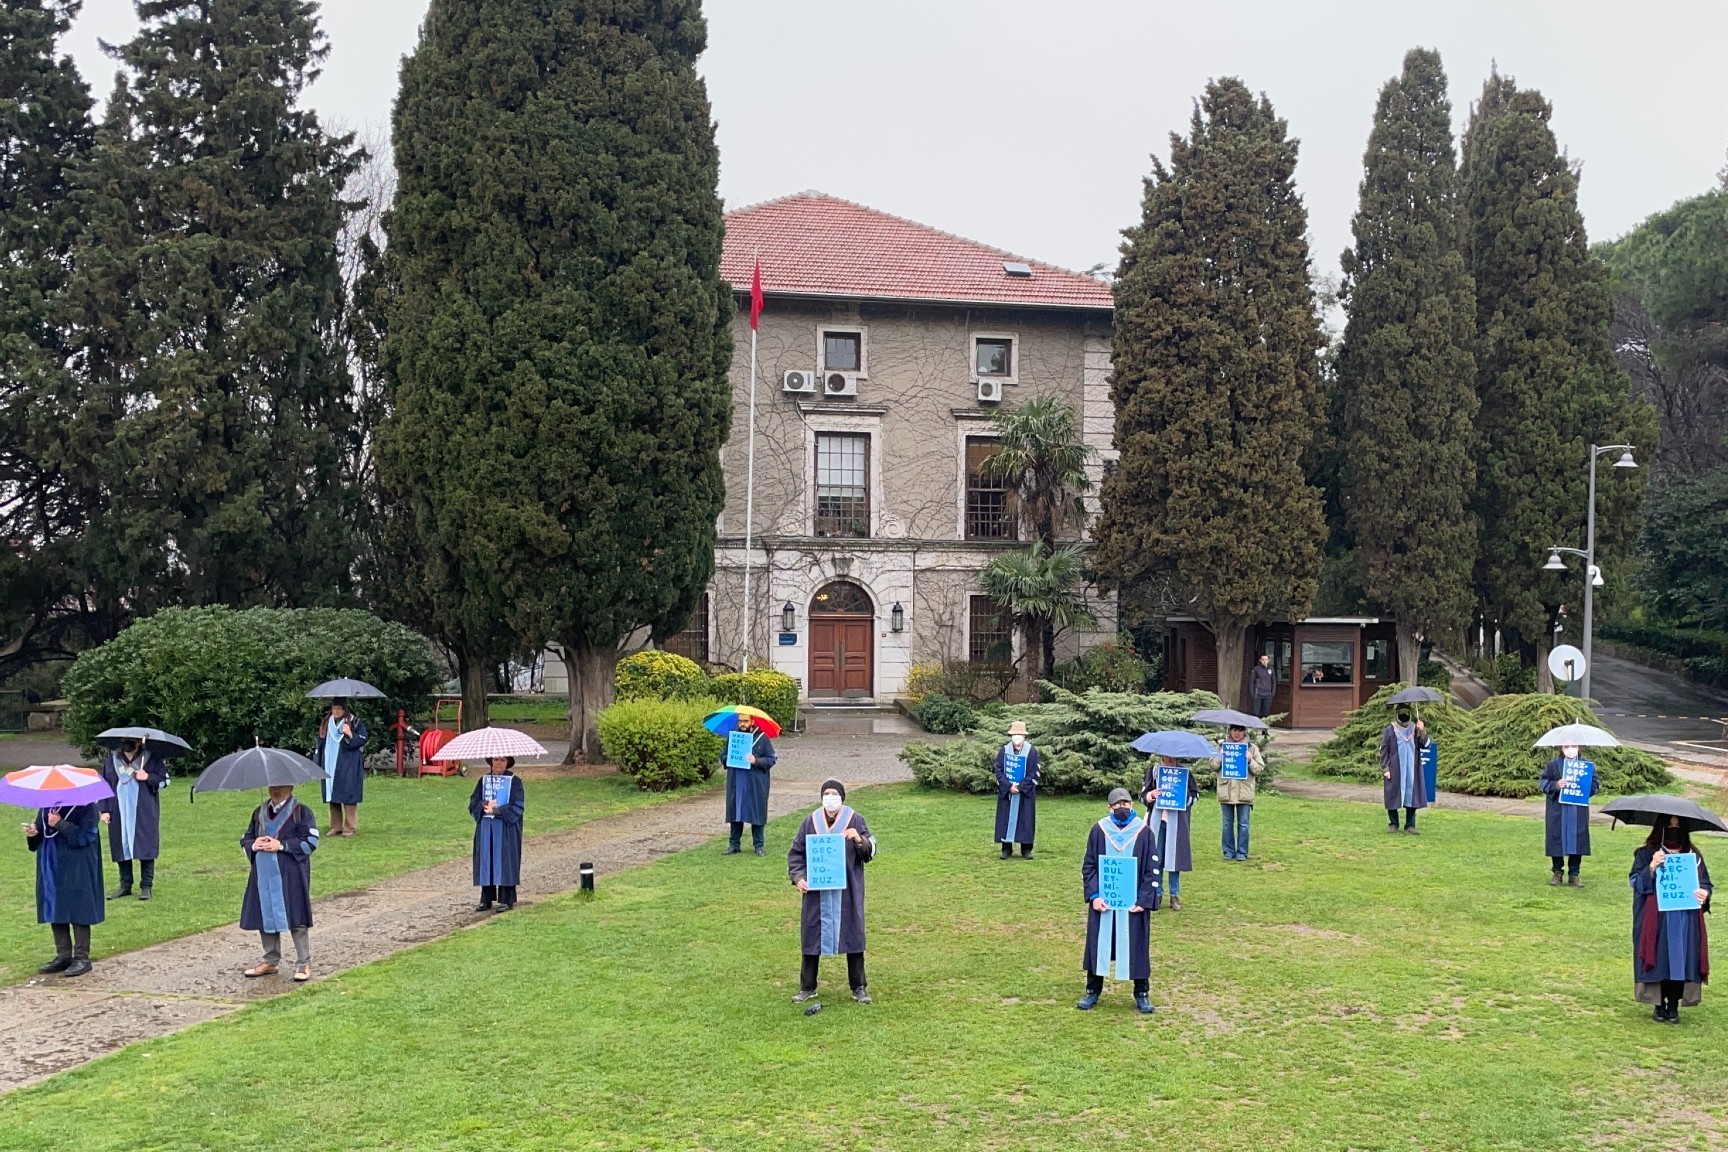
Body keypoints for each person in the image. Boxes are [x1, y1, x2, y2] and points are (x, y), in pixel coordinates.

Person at [788, 779, 876, 1005]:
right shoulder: (810, 821)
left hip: (847, 890)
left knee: (853, 935)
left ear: (842, 797)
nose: (830, 797)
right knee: (811, 935)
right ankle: (808, 987)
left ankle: (859, 987)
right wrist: (799, 878)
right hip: (817, 891)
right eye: (826, 793)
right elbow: (796, 854)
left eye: (834, 793)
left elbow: (870, 851)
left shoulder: (855, 819)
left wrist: (858, 839)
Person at [1077, 788, 1159, 1013]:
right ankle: (1092, 990)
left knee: (1137, 945)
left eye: (1126, 804)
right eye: (1117, 805)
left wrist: (1143, 900)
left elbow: (1152, 870)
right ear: (1109, 807)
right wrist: (1094, 896)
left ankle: (1142, 993)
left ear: (1132, 805)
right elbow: (1089, 866)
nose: (1122, 808)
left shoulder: (1143, 832)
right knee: (1098, 944)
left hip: (1133, 904)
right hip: (1104, 902)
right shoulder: (1099, 830)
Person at [1630, 816, 1713, 1023]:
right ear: (1661, 828)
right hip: (1656, 917)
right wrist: (1651, 866)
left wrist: (1704, 893)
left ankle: (1674, 1005)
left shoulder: (1694, 856)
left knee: (1681, 959)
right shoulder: (1646, 853)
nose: (1673, 830)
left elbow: (1705, 883)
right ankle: (1658, 1005)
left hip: (1685, 917)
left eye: (1677, 826)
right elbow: (1636, 882)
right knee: (1659, 957)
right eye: (1669, 826)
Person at [241, 784, 319, 982]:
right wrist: (253, 844)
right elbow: (247, 837)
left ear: (290, 787)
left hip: (291, 873)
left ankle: (304, 962)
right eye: (273, 786)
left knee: (296, 914)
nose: (276, 790)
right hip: (263, 872)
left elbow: (311, 842)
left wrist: (282, 845)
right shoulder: (259, 812)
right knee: (265, 914)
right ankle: (271, 960)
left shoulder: (301, 812)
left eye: (281, 786)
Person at [25, 803, 104, 977]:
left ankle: (82, 957)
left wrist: (60, 824)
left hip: (78, 864)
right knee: (55, 906)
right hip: (51, 862)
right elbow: (38, 837)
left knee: (78, 907)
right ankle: (64, 955)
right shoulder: (47, 806)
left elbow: (85, 837)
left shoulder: (87, 807)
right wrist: (33, 833)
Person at [98, 736, 169, 900]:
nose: (127, 743)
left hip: (143, 809)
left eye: (131, 740)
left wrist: (148, 777)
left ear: (139, 742)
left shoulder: (150, 759)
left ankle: (146, 886)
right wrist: (104, 809)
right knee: (121, 846)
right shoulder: (113, 760)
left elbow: (165, 781)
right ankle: (125, 885)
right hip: (118, 810)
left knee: (145, 845)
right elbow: (104, 785)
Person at [1539, 743, 1601, 886]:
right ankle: (1557, 872)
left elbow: (1595, 784)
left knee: (1577, 840)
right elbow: (1543, 782)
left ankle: (1574, 873)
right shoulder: (1553, 765)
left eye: (1574, 745)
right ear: (1561, 748)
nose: (1571, 749)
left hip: (1577, 808)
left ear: (1579, 748)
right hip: (1558, 809)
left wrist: (1585, 787)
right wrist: (1556, 785)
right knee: (1556, 838)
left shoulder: (1585, 766)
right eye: (1567, 746)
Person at [470, 756, 525, 912]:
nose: (498, 763)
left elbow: (518, 805)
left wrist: (498, 810)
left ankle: (507, 900)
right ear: (491, 762)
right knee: (487, 861)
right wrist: (484, 804)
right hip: (487, 827)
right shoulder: (483, 781)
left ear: (507, 762)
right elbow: (473, 802)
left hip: (505, 828)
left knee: (505, 862)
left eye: (502, 760)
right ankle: (486, 899)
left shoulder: (515, 782)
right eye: (495, 759)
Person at [1141, 755, 1195, 910]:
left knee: (1174, 860)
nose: (1170, 758)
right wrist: (1151, 795)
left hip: (1177, 823)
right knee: (1155, 858)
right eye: (1167, 755)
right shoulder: (1154, 772)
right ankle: (1157, 893)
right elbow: (1143, 795)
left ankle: (1174, 895)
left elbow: (1194, 795)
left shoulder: (1185, 772)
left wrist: (1183, 797)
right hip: (1157, 822)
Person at [723, 714, 776, 857]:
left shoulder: (762, 738)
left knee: (756, 812)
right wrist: (729, 758)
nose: (742, 724)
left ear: (752, 721)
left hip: (755, 783)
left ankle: (759, 845)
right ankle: (734, 844)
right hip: (736, 782)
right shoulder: (733, 737)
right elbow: (723, 756)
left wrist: (756, 760)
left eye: (745, 721)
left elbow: (771, 759)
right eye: (740, 721)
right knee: (736, 812)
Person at [1212, 725, 1265, 861]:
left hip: (1244, 792)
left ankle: (1242, 852)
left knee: (1244, 824)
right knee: (1227, 823)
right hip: (1226, 791)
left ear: (1244, 732)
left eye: (1240, 730)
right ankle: (1228, 852)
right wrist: (1220, 756)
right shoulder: (1221, 746)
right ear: (1230, 731)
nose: (1237, 733)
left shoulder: (1252, 748)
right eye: (1234, 730)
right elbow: (1212, 766)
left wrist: (1250, 760)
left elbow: (1259, 769)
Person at [317, 699, 368, 837]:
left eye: (339, 708)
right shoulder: (327, 722)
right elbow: (321, 741)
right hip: (329, 762)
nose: (336, 711)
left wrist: (351, 734)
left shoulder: (354, 721)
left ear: (344, 709)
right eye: (334, 708)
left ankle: (350, 827)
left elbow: (362, 740)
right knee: (332, 793)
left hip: (348, 763)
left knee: (348, 793)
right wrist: (318, 760)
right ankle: (335, 826)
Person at [994, 721, 1040, 859]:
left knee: (1025, 820)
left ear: (1024, 736)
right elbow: (998, 770)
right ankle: (1006, 849)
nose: (1017, 737)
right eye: (1014, 734)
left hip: (1024, 793)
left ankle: (1026, 850)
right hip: (1007, 792)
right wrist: (1008, 786)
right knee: (1005, 819)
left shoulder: (1031, 752)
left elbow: (1034, 773)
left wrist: (1020, 787)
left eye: (1019, 734)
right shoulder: (1004, 751)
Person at [1379, 709, 1428, 834]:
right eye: (1401, 713)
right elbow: (1384, 750)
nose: (1404, 715)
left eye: (1406, 713)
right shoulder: (1390, 730)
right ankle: (1393, 824)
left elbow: (1426, 745)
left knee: (1412, 796)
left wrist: (1422, 730)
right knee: (1392, 795)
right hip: (1395, 769)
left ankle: (1410, 824)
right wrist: (1385, 768)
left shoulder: (1415, 729)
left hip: (1412, 768)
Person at [1249, 654, 1275, 719]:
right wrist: (1252, 692)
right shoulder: (1256, 669)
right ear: (1260, 660)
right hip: (1258, 694)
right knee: (1256, 713)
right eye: (1263, 659)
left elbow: (1273, 682)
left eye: (1266, 659)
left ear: (1268, 660)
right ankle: (1256, 728)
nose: (1264, 661)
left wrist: (1273, 692)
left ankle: (1264, 728)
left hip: (1268, 694)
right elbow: (1252, 681)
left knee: (1266, 713)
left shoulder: (1271, 669)